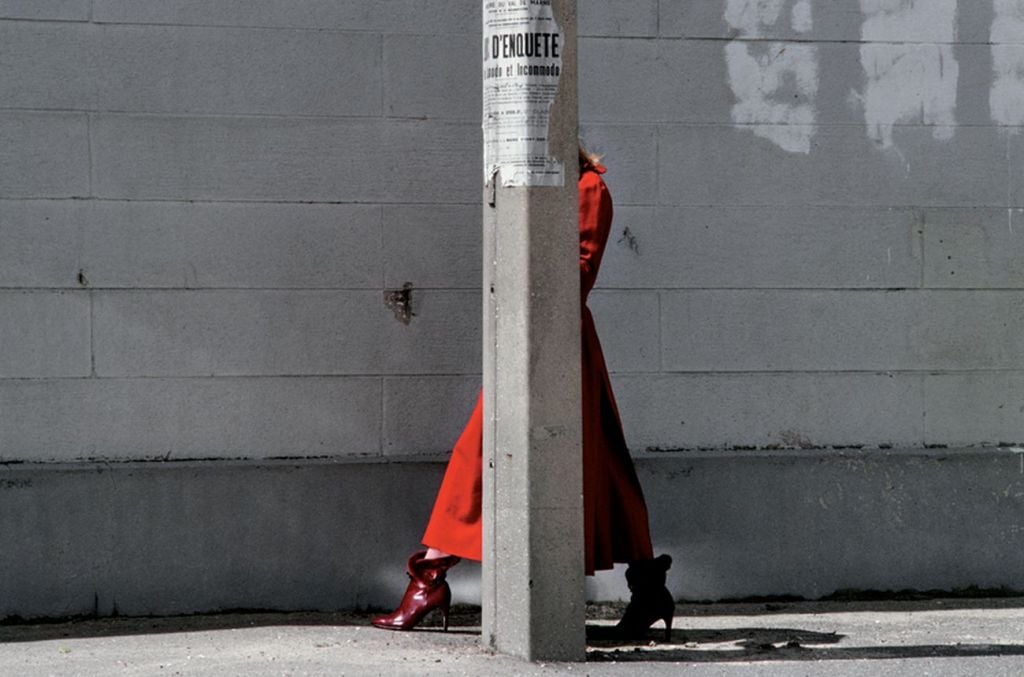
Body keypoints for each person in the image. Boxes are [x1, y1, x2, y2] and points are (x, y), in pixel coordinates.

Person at [372, 144, 673, 639]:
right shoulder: (536, 184)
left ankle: (432, 576)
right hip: (528, 335)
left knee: (511, 451)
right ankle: (647, 590)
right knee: (578, 460)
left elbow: (579, 270)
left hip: (558, 340)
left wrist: (525, 285)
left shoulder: (588, 186)